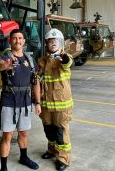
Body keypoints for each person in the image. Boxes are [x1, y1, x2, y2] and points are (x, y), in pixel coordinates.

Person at [0, 29, 41, 171]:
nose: (18, 41)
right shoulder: (5, 56)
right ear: (10, 41)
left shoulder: (29, 59)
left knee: (23, 132)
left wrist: (37, 102)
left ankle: (24, 157)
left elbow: (36, 82)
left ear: (24, 41)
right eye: (14, 38)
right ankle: (3, 167)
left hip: (25, 102)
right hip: (9, 101)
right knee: (7, 135)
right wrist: (6, 65)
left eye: (20, 38)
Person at [37, 28, 74, 171]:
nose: (53, 43)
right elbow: (37, 82)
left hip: (62, 105)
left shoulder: (64, 58)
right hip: (46, 104)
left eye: (56, 41)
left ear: (61, 43)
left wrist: (64, 59)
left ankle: (63, 158)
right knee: (49, 130)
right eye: (50, 41)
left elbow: (68, 62)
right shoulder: (42, 61)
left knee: (60, 132)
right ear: (46, 43)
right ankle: (52, 150)